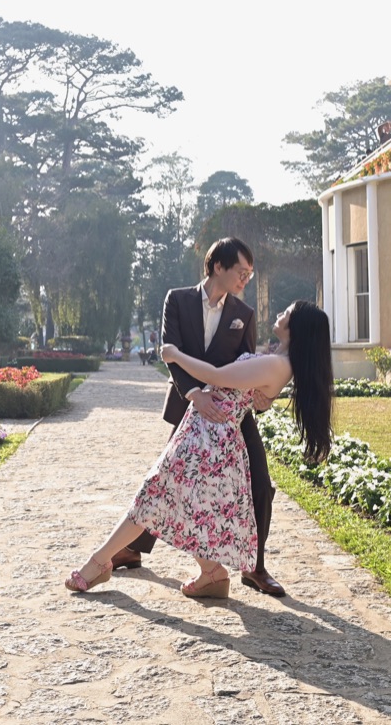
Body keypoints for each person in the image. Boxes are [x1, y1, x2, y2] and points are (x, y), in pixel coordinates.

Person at [63, 300, 333, 597]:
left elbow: (215, 376)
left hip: (208, 440)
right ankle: (212, 574)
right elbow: (244, 388)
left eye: (288, 313)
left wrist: (176, 355)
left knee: (154, 495)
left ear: (298, 327)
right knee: (185, 506)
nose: (281, 314)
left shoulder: (276, 365)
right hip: (209, 437)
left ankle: (99, 562)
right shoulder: (279, 362)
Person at [114, 237, 288, 596]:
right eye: (241, 271)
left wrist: (261, 399)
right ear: (218, 267)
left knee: (261, 483)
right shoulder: (177, 300)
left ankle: (254, 566)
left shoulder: (244, 314)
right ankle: (132, 549)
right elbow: (169, 352)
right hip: (188, 405)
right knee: (167, 479)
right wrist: (195, 394)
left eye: (250, 274)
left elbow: (248, 366)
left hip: (233, 416)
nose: (245, 279)